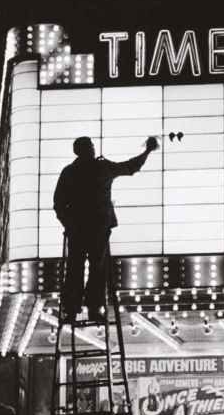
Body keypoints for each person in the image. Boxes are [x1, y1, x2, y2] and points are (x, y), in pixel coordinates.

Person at [53, 135, 159, 322]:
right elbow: (131, 167)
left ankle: (70, 309)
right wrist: (148, 151)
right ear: (89, 149)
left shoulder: (69, 172)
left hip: (77, 229)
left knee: (74, 267)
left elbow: (58, 203)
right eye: (92, 146)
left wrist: (68, 223)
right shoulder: (102, 167)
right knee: (98, 268)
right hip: (98, 227)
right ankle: (94, 308)